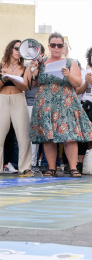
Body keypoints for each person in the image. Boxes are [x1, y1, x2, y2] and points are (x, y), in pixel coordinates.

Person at [29, 32, 92, 177]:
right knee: (48, 137)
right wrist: (32, 69)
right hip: (45, 103)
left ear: (63, 47)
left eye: (59, 45)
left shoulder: (70, 62)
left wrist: (68, 75)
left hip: (66, 104)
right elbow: (33, 83)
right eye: (53, 45)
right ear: (49, 46)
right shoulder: (41, 62)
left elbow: (78, 83)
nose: (56, 48)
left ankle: (73, 167)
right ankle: (51, 168)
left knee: (69, 135)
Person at [0, 39, 33, 176]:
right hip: (2, 99)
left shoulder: (25, 68)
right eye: (16, 48)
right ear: (10, 49)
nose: (18, 52)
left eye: (21, 49)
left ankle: (25, 167)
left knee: (23, 135)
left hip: (19, 99)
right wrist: (4, 78)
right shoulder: (1, 65)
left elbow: (26, 86)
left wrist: (13, 78)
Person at [25, 43, 45, 169]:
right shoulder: (26, 66)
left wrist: (37, 67)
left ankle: (33, 162)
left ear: (41, 54)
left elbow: (39, 82)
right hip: (26, 103)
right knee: (25, 135)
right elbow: (27, 84)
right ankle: (27, 162)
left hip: (39, 104)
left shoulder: (45, 66)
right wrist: (30, 69)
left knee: (36, 135)